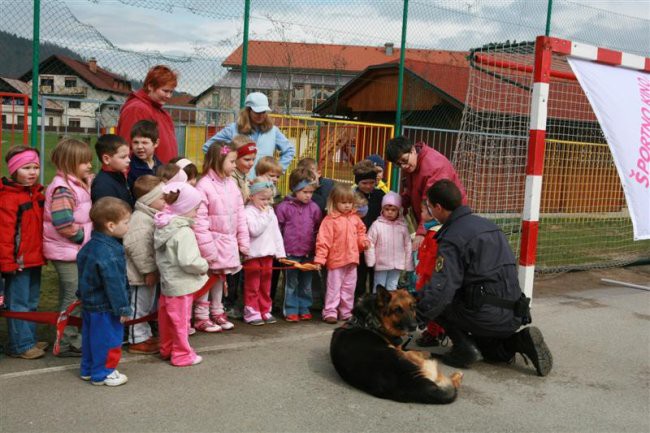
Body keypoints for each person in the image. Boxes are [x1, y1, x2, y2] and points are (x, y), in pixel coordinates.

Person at [416, 180, 553, 377]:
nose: (429, 210)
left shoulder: (452, 236)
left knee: (434, 299)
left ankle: (464, 349)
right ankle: (520, 340)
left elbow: (442, 289)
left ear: (438, 207)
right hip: (513, 314)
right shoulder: (489, 225)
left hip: (483, 315)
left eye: (429, 206)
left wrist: (416, 315)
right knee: (491, 353)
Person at [43, 138, 94, 357]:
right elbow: (63, 223)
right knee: (73, 297)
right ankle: (66, 342)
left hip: (71, 250)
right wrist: (83, 237)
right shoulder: (63, 189)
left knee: (72, 294)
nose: (90, 165)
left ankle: (69, 337)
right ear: (69, 163)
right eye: (84, 162)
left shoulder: (74, 184)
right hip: (66, 251)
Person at [194, 142, 250, 332]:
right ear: (219, 160)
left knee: (220, 278)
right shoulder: (204, 186)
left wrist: (243, 241)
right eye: (232, 161)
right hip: (211, 242)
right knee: (207, 279)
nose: (235, 166)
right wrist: (207, 248)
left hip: (227, 242)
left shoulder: (231, 185)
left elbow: (240, 214)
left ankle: (217, 310)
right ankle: (201, 316)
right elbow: (200, 221)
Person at [77, 197, 132, 386]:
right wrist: (123, 308)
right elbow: (115, 283)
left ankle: (88, 369)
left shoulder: (88, 247)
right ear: (110, 225)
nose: (128, 226)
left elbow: (83, 275)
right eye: (126, 223)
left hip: (90, 304)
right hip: (106, 306)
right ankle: (103, 373)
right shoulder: (111, 252)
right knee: (109, 340)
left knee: (91, 339)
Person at [0, 146, 47, 359]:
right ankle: (20, 345)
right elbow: (5, 234)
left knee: (31, 301)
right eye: (26, 168)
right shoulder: (9, 198)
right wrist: (7, 263)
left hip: (34, 258)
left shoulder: (35, 193)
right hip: (17, 262)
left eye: (35, 167)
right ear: (14, 171)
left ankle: (28, 337)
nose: (32, 172)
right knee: (18, 303)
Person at [154, 182, 207, 367]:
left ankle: (167, 348)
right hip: (182, 284)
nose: (197, 212)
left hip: (168, 282)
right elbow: (188, 260)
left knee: (167, 319)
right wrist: (204, 265)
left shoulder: (164, 225)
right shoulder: (183, 231)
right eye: (195, 208)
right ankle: (182, 355)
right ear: (185, 208)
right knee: (181, 322)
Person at [385, 136, 466, 250]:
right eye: (398, 164)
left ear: (413, 150)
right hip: (434, 221)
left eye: (404, 160)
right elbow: (410, 192)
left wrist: (421, 233)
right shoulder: (413, 166)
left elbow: (432, 204)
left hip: (449, 222)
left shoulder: (434, 166)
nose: (403, 166)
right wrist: (394, 205)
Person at [202, 92, 295, 178]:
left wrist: (276, 170)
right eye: (257, 112)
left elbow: (289, 150)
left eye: (263, 112)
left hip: (263, 184)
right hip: (237, 182)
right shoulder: (233, 129)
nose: (261, 115)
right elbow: (209, 147)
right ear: (248, 111)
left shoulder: (273, 131)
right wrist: (228, 157)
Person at [123, 175, 166, 355]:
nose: (166, 200)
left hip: (147, 273)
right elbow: (137, 247)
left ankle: (144, 335)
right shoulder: (141, 220)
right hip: (139, 274)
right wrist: (148, 270)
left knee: (146, 305)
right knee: (138, 307)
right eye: (162, 198)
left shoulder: (150, 216)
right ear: (149, 201)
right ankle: (136, 339)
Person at [314, 183, 369, 324]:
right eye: (343, 202)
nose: (347, 206)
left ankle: (346, 312)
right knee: (333, 289)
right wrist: (320, 259)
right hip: (336, 261)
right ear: (334, 201)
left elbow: (361, 232)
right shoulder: (329, 220)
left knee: (349, 289)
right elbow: (323, 241)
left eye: (350, 202)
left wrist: (363, 242)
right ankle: (330, 312)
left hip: (352, 260)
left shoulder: (355, 218)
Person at [275, 168, 322, 322]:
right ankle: (290, 308)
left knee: (306, 283)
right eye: (304, 192)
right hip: (291, 252)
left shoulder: (314, 208)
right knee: (291, 283)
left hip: (308, 252)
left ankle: (304, 307)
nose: (308, 195)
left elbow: (316, 229)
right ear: (295, 189)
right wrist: (280, 250)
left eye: (311, 192)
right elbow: (278, 229)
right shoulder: (284, 207)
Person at [243, 178, 286, 325]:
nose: (266, 202)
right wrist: (265, 215)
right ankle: (251, 311)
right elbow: (255, 230)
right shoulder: (249, 212)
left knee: (266, 284)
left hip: (268, 254)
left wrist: (280, 252)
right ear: (252, 196)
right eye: (262, 199)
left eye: (269, 199)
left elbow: (276, 233)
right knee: (253, 284)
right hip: (254, 255)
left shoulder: (269, 211)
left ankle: (265, 309)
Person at [116, 65, 178, 163]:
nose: (168, 96)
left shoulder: (159, 111)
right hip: (147, 175)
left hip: (162, 174)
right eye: (165, 91)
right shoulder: (137, 109)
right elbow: (128, 148)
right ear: (150, 86)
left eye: (171, 92)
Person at [365, 192, 413, 292]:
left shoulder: (403, 227)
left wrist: (408, 263)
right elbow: (370, 243)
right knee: (379, 286)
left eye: (393, 210)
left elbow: (408, 245)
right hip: (381, 263)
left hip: (397, 265)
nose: (390, 212)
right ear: (382, 210)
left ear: (398, 211)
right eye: (387, 209)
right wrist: (371, 261)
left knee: (392, 287)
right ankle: (378, 306)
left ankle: (391, 307)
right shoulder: (377, 225)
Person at [353, 160, 385, 300]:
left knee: (375, 273)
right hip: (358, 242)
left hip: (376, 241)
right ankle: (357, 300)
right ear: (358, 183)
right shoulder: (352, 196)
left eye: (371, 182)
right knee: (359, 275)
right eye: (364, 183)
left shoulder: (380, 195)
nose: (368, 186)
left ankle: (375, 300)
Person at [91, 134, 133, 208]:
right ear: (106, 159)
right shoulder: (102, 186)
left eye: (128, 156)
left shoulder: (118, 174)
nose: (129, 160)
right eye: (123, 157)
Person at [127, 120, 162, 190]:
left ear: (156, 143)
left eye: (144, 142)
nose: (139, 147)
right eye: (135, 142)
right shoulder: (129, 168)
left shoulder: (161, 166)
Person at [231, 135, 258, 203]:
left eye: (253, 159)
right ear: (234, 158)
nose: (252, 163)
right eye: (247, 159)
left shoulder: (243, 174)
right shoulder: (230, 179)